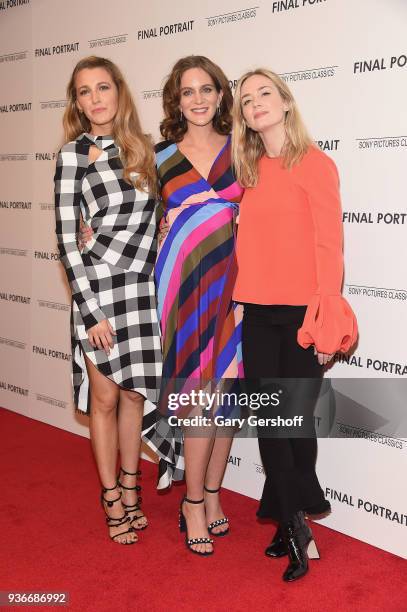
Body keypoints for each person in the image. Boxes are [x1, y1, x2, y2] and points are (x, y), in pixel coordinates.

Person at [232, 68, 358, 580]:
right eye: (246, 100)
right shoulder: (250, 171)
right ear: (242, 117)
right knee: (270, 424)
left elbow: (330, 245)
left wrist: (326, 315)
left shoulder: (315, 163)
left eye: (265, 93)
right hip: (257, 315)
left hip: (303, 316)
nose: (256, 103)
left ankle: (289, 518)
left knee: (295, 425)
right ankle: (293, 523)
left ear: (285, 103)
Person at [54, 56, 180, 545]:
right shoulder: (72, 156)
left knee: (133, 394)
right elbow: (67, 240)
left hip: (141, 289)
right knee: (105, 397)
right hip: (99, 291)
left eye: (103, 87)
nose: (96, 98)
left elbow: (162, 210)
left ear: (119, 91)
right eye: (85, 92)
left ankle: (133, 489)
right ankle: (111, 497)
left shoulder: (146, 151)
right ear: (78, 103)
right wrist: (89, 313)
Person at [155, 55, 244, 556]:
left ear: (219, 94)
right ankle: (191, 503)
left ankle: (212, 494)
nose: (198, 99)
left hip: (233, 286)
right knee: (199, 396)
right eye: (188, 92)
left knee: (227, 396)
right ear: (177, 100)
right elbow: (136, 215)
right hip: (183, 287)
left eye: (206, 89)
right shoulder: (162, 155)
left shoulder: (241, 149)